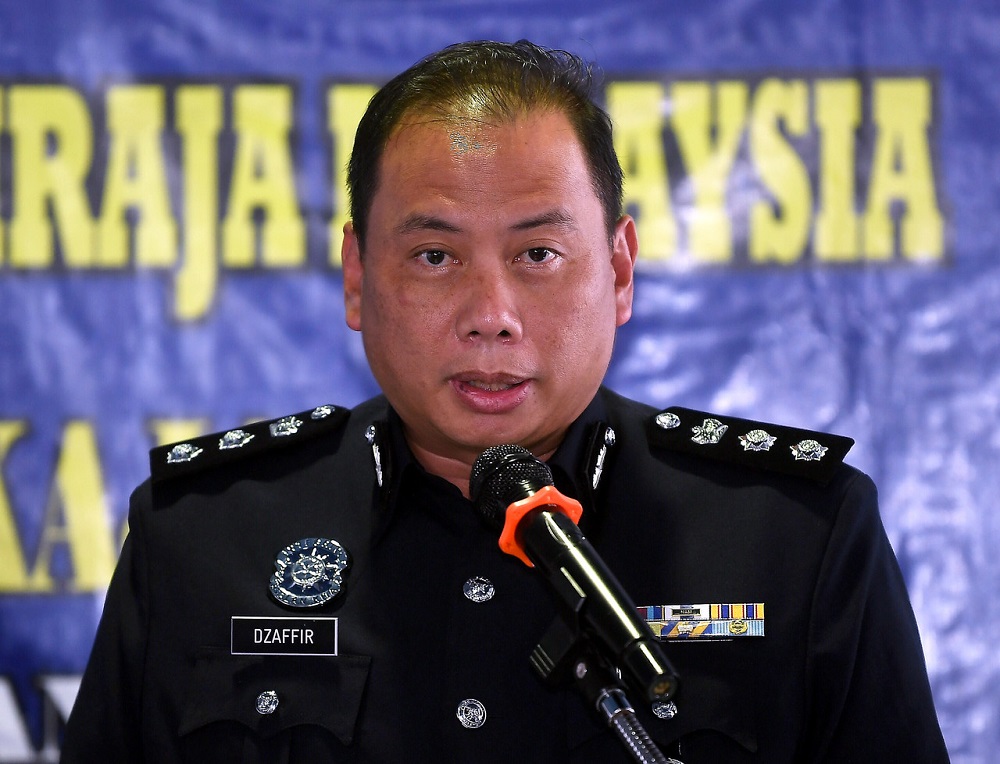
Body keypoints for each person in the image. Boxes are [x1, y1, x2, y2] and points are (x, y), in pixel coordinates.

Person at [62, 40, 949, 762]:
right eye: (435, 257)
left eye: (537, 255)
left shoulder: (794, 536)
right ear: (357, 278)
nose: (491, 318)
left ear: (620, 271)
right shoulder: (202, 536)